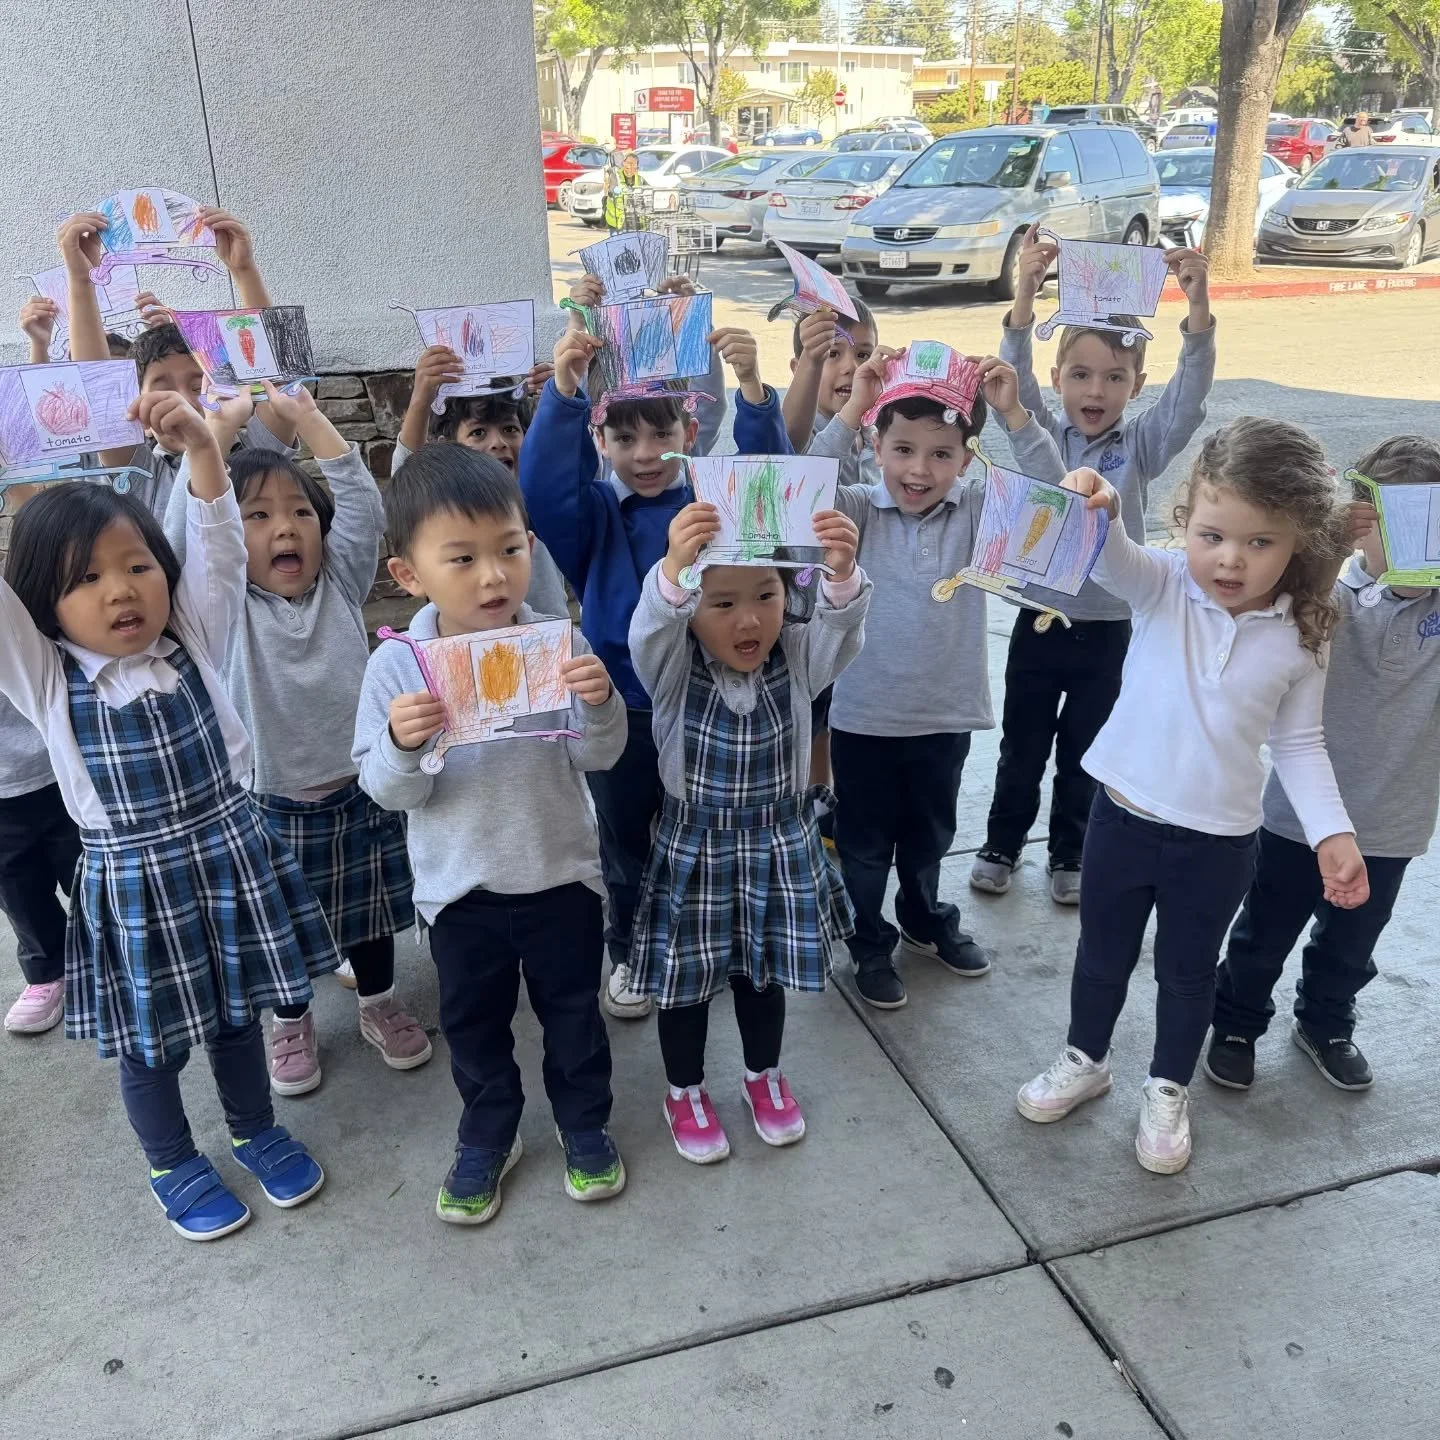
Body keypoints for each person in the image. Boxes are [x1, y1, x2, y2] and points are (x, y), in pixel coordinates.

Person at [0, 392, 336, 1239]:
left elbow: (217, 547)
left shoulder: (191, 632)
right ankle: (171, 1160)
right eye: (86, 579)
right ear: (44, 602)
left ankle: (255, 1129)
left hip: (230, 857)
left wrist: (203, 450)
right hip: (135, 884)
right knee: (153, 1044)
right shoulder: (46, 678)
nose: (121, 590)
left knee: (236, 1016)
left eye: (138, 566)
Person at [1017, 418, 1370, 1175]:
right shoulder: (1167, 584)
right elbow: (1112, 557)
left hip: (1218, 843)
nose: (1231, 559)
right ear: (1187, 523)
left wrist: (1332, 832)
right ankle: (1085, 1058)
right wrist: (1101, 502)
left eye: (1260, 542)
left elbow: (1299, 744)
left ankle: (1168, 1087)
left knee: (1187, 974)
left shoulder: (1303, 633)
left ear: (1300, 541)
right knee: (1101, 957)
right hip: (1121, 819)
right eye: (1213, 535)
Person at [354, 446, 627, 1225]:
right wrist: (402, 744)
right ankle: (488, 1132)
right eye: (462, 558)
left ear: (530, 546)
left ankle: (583, 1123)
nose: (493, 576)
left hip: (560, 876)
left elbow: (597, 756)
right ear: (409, 574)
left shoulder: (558, 644)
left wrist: (601, 704)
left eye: (509, 549)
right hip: (460, 892)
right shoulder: (398, 667)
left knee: (574, 1017)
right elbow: (387, 791)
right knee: (474, 1028)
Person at [520, 297, 790, 1023]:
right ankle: (633, 952)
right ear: (600, 439)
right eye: (624, 436)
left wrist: (754, 392)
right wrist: (564, 392)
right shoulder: (595, 516)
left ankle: (702, 945)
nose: (644, 454)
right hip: (624, 711)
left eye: (662, 433)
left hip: (707, 707)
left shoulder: (714, 505)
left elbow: (770, 489)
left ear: (690, 432)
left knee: (704, 840)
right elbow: (543, 490)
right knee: (626, 846)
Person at [161, 382, 429, 1095]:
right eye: (258, 515)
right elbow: (182, 537)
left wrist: (309, 419)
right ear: (229, 534)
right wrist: (213, 435)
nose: (286, 527)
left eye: (301, 512)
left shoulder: (340, 580)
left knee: (370, 916)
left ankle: (378, 1000)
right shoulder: (220, 607)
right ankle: (290, 1018)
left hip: (363, 791)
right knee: (279, 925)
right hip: (267, 803)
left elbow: (364, 506)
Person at [809, 347, 1068, 1008]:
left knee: (929, 839)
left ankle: (923, 919)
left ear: (966, 457)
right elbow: (804, 487)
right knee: (864, 847)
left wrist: (1016, 417)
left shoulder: (979, 511)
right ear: (875, 446)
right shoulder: (857, 510)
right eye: (902, 449)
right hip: (864, 718)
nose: (919, 470)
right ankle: (868, 940)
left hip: (945, 716)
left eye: (941, 454)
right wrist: (853, 405)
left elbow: (1054, 501)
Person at [970, 228, 1215, 907]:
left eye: (1114, 376)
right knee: (1022, 746)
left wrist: (1197, 309)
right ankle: (1001, 843)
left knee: (1086, 750)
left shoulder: (1142, 445)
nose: (1096, 388)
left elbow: (1190, 398)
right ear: (1057, 380)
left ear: (1137, 385)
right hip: (1039, 620)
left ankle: (1069, 852)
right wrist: (1025, 292)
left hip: (1109, 629)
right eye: (1079, 373)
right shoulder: (1042, 429)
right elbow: (1011, 382)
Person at [627, 499, 869, 1163]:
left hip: (778, 844)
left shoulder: (798, 657)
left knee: (763, 976)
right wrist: (673, 570)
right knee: (684, 984)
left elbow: (840, 631)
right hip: (694, 847)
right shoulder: (672, 668)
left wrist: (842, 574)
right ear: (691, 610)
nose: (748, 619)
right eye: (722, 603)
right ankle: (683, 1090)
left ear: (788, 597)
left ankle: (763, 1075)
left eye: (766, 596)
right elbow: (649, 630)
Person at [1207, 435, 1440, 1094]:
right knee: (1263, 931)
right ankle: (1236, 1022)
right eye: (1393, 522)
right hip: (1298, 816)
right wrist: (1332, 545)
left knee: (1351, 942)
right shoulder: (1332, 596)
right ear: (1362, 524)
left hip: (1392, 821)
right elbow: (1289, 606)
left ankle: (1326, 1021)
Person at [57, 208, 298, 518]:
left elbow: (273, 381)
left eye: (198, 386)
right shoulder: (141, 477)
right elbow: (99, 392)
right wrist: (81, 280)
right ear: (138, 416)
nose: (183, 400)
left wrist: (243, 269)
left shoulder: (256, 456)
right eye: (163, 390)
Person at [394, 353, 570, 616]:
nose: (498, 442)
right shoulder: (445, 507)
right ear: (447, 447)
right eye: (478, 433)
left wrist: (563, 399)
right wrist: (421, 399)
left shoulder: (537, 495)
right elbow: (407, 476)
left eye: (509, 429)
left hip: (547, 639)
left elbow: (574, 465)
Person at [605, 150, 645, 233]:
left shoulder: (640, 179)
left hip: (634, 223)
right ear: (623, 164)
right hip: (616, 222)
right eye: (628, 163)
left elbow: (649, 192)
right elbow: (613, 191)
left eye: (633, 165)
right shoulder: (615, 177)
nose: (629, 167)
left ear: (637, 167)